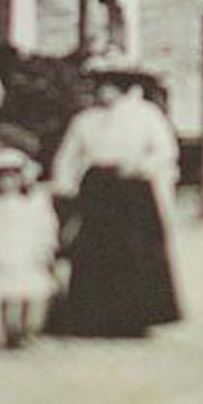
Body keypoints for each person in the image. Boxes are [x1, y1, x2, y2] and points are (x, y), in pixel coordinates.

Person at [48, 64, 184, 337]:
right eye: (100, 87)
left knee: (134, 252)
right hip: (97, 189)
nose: (103, 93)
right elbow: (68, 155)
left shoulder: (146, 114)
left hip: (133, 189)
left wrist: (139, 165)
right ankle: (93, 317)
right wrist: (64, 186)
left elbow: (165, 151)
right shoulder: (86, 120)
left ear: (122, 88)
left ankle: (136, 318)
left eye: (108, 87)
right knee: (95, 250)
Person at [0, 148, 60, 349]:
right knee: (8, 293)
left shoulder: (34, 203)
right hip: (2, 254)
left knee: (32, 292)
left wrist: (46, 247)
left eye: (12, 177)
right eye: (2, 178)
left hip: (29, 254)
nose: (7, 182)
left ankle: (29, 331)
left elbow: (46, 226)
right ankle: (11, 332)